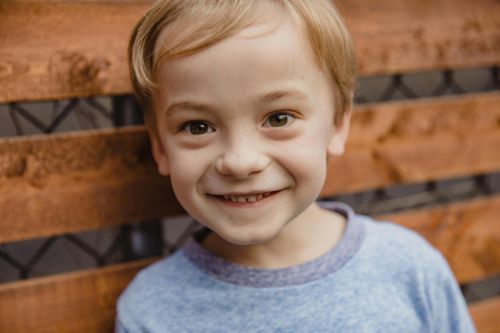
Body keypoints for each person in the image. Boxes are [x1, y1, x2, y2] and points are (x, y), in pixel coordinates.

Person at [116, 0, 476, 332]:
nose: (241, 162)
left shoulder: (410, 269)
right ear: (160, 146)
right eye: (198, 127)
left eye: (278, 118)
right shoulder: (151, 311)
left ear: (337, 124)